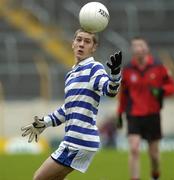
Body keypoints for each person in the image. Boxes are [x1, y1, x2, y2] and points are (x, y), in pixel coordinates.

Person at [21, 28, 122, 180]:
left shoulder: (94, 68)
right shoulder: (71, 74)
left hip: (78, 141)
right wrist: (44, 123)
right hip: (76, 140)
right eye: (79, 40)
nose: (82, 44)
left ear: (94, 48)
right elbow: (67, 110)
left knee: (38, 178)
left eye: (87, 41)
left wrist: (115, 76)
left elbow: (109, 91)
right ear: (72, 43)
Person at [116, 37, 174, 180]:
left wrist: (162, 91)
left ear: (146, 48)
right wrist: (119, 114)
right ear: (132, 50)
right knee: (134, 149)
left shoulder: (159, 66)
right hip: (133, 114)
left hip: (152, 114)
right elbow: (123, 94)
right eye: (135, 46)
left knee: (154, 154)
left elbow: (171, 86)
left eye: (140, 45)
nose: (138, 48)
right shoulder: (128, 70)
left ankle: (155, 174)